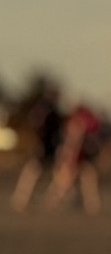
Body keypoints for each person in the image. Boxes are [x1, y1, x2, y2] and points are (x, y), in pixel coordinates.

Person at [10, 84, 64, 213]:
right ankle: (23, 199)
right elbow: (39, 126)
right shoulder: (47, 110)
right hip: (45, 147)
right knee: (34, 173)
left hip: (49, 147)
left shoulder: (51, 110)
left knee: (56, 174)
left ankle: (47, 199)